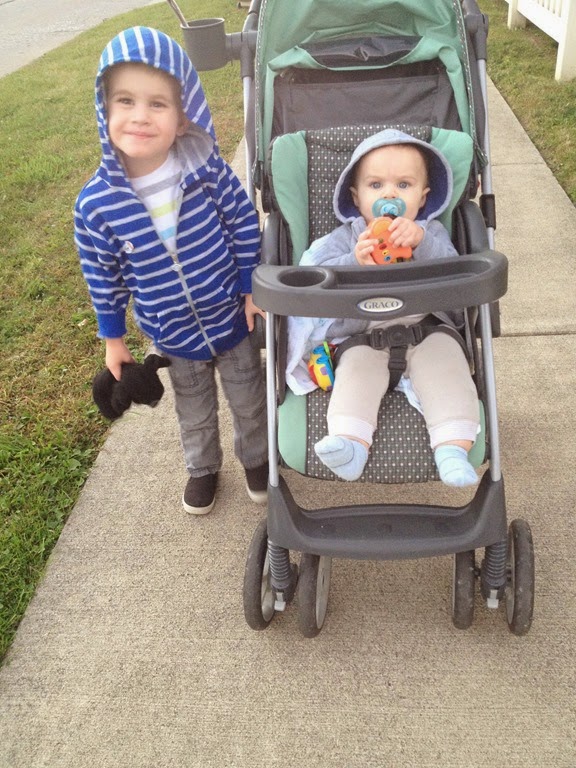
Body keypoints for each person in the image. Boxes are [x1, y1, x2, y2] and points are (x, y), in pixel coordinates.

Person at [74, 26, 268, 515]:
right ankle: (202, 468)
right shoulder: (97, 205)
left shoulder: (206, 170)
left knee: (249, 399)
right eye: (125, 100)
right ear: (104, 108)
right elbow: (103, 277)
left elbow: (244, 224)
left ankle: (257, 459)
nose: (140, 115)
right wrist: (113, 338)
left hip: (232, 317)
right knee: (193, 409)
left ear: (184, 118)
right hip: (173, 334)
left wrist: (251, 287)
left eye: (157, 104)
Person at [286, 129, 480, 487]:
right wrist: (353, 262)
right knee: (354, 375)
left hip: (428, 329)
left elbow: (456, 275)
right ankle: (350, 445)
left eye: (404, 184)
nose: (390, 194)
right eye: (376, 185)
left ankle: (452, 450)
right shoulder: (344, 239)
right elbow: (314, 277)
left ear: (423, 197)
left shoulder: (431, 232)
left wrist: (422, 243)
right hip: (364, 335)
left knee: (449, 370)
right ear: (356, 196)